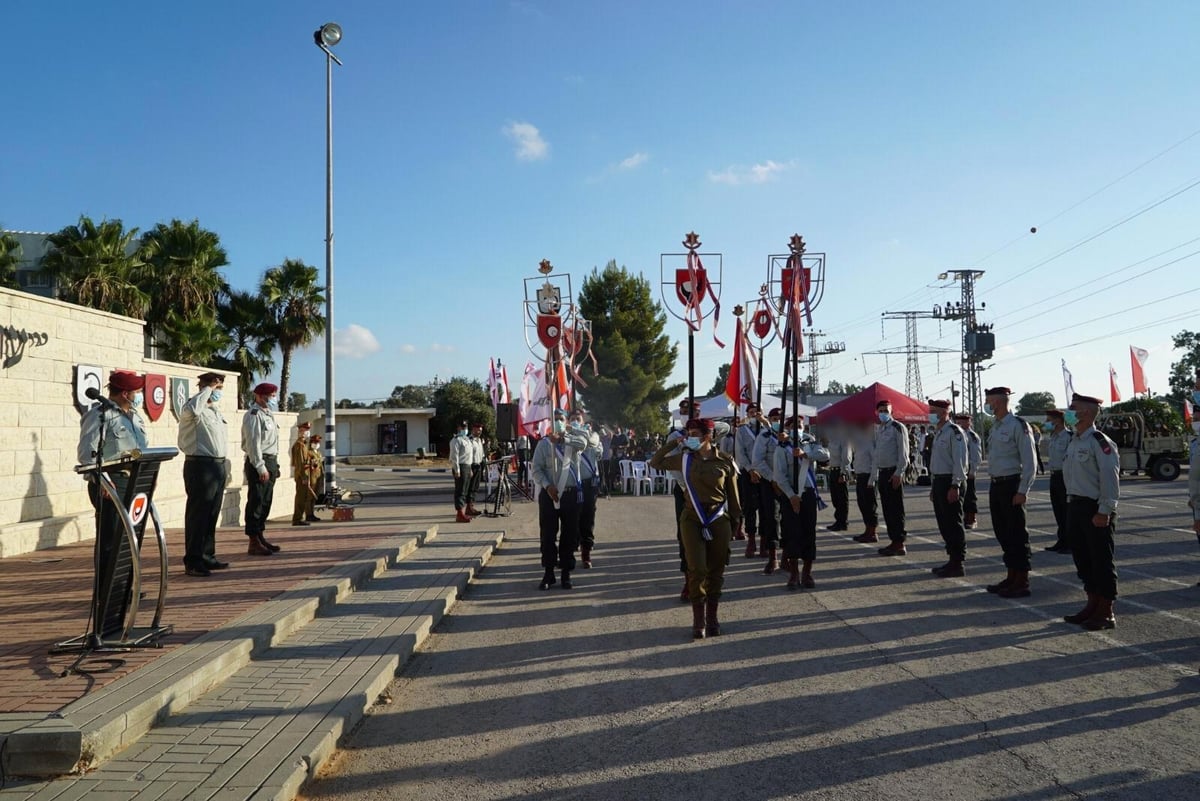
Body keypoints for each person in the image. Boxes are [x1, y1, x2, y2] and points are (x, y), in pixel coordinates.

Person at [650, 417, 741, 639]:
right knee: (697, 569)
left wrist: (737, 524)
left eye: (694, 434)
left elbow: (734, 496)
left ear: (708, 436)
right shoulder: (684, 459)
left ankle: (712, 618)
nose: (690, 437)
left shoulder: (726, 461)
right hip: (692, 518)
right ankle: (698, 620)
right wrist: (675, 443)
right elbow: (656, 462)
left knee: (716, 569)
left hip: (718, 518)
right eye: (688, 433)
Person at [1061, 393, 1121, 629]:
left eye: (1072, 408)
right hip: (1075, 505)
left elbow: (1109, 478)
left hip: (1095, 508)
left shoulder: (1099, 441)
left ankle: (1106, 611)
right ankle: (1092, 604)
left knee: (1101, 560)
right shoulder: (1075, 440)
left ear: (1085, 412)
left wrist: (1105, 510)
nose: (1068, 411)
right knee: (1083, 558)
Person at [983, 386, 1037, 597]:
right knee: (1002, 532)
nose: (987, 404)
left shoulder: (1019, 426)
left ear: (999, 401)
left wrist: (1023, 490)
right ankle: (1011, 575)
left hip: (1012, 485)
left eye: (989, 400)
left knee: (1016, 533)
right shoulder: (996, 426)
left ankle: (1022, 580)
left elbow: (1030, 462)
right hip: (996, 484)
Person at [178, 371, 229, 577]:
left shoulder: (214, 411)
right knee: (198, 516)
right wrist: (208, 388)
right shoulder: (192, 408)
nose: (218, 393)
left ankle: (208, 555)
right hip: (200, 466)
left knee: (211, 514)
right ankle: (193, 560)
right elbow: (192, 409)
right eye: (217, 388)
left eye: (219, 389)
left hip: (217, 466)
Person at [531, 409, 590, 590]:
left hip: (570, 494)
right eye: (555, 419)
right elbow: (536, 469)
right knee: (548, 535)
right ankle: (549, 573)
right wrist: (548, 486)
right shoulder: (543, 444)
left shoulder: (574, 441)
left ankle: (566, 573)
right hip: (550, 495)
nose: (558, 422)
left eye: (561, 419)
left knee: (569, 535)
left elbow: (584, 443)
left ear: (566, 422)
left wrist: (564, 438)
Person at [774, 417, 830, 589]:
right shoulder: (782, 447)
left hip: (808, 494)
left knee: (808, 533)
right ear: (787, 428)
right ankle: (793, 574)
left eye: (799, 425)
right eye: (793, 425)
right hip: (790, 494)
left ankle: (807, 573)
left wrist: (806, 454)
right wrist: (791, 496)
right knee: (792, 533)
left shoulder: (810, 442)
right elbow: (779, 475)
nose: (797, 428)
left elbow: (825, 455)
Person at [926, 400, 968, 577]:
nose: (931, 414)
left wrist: (955, 485)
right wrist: (933, 485)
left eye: (934, 411)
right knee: (944, 524)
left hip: (951, 482)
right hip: (940, 482)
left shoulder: (954, 432)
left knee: (953, 524)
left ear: (944, 412)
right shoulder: (939, 432)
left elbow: (960, 461)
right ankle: (951, 559)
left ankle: (958, 562)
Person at [242, 382, 282, 556]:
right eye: (270, 395)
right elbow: (253, 443)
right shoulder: (254, 414)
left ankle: (260, 536)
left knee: (266, 502)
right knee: (256, 502)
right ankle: (253, 541)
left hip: (270, 460)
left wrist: (275, 465)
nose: (273, 398)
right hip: (259, 461)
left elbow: (273, 443)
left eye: (274, 395)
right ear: (259, 396)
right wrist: (260, 467)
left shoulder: (268, 414)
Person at [666, 399, 699, 600]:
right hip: (685, 490)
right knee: (685, 535)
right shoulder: (675, 436)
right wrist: (686, 487)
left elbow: (724, 427)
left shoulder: (710, 433)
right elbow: (672, 463)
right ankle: (688, 579)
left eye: (693, 412)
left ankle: (705, 580)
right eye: (685, 411)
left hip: (707, 489)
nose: (689, 415)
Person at [873, 399, 909, 556]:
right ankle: (893, 541)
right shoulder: (880, 429)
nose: (883, 414)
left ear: (891, 412)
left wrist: (898, 473)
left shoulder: (897, 427)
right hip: (883, 472)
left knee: (896, 509)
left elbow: (904, 453)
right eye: (880, 411)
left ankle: (899, 542)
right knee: (887, 509)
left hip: (893, 472)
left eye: (886, 411)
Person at [751, 407, 785, 572]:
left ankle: (789, 555)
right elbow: (757, 461)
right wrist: (773, 479)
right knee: (772, 518)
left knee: (790, 519)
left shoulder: (792, 436)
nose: (778, 421)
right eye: (774, 418)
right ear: (770, 419)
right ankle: (773, 556)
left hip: (789, 484)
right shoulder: (764, 437)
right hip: (770, 483)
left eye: (780, 418)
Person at [569, 409, 603, 568]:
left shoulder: (592, 435)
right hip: (571, 484)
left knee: (587, 518)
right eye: (573, 419)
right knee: (570, 519)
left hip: (588, 484)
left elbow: (592, 443)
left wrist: (575, 430)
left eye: (578, 419)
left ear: (583, 422)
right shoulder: (566, 438)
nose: (575, 421)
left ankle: (586, 552)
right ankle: (568, 552)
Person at [1042, 409, 1073, 553]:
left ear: (1058, 420)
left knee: (1067, 512)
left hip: (1065, 477)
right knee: (1058, 511)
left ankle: (1070, 543)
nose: (1046, 423)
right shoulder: (1053, 437)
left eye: (1049, 420)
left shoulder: (1069, 437)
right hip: (1054, 476)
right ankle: (1062, 540)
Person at [735, 403, 762, 555]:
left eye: (756, 412)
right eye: (751, 412)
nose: (754, 415)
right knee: (750, 507)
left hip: (765, 473)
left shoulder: (766, 429)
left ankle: (766, 542)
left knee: (767, 509)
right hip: (748, 472)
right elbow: (740, 452)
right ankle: (751, 541)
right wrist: (750, 470)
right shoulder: (742, 430)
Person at [851, 420, 879, 542]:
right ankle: (867, 529)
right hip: (860, 476)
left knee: (870, 505)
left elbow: (875, 462)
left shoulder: (870, 443)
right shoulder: (859, 444)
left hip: (868, 477)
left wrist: (872, 479)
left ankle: (873, 532)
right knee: (862, 504)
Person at [954, 413, 982, 529]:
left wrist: (973, 470)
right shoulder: (955, 434)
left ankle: (971, 517)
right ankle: (961, 517)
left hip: (968, 468)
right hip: (957, 467)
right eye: (958, 421)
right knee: (958, 494)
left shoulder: (972, 436)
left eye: (962, 422)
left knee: (970, 495)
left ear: (968, 422)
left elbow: (976, 455)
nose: (959, 424)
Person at [825, 423, 853, 532]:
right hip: (832, 470)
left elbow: (846, 458)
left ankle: (843, 522)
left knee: (842, 498)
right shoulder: (832, 440)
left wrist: (843, 473)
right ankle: (838, 520)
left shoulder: (844, 439)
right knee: (835, 498)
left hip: (840, 471)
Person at [290, 421, 319, 526]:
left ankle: (299, 518)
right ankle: (297, 519)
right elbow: (300, 463)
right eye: (304, 430)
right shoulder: (300, 445)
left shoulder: (304, 445)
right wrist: (304, 476)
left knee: (303, 497)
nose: (306, 433)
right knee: (300, 498)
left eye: (307, 430)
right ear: (300, 431)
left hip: (305, 474)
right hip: (302, 475)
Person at [450, 421, 472, 523]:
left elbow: (469, 456)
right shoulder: (456, 440)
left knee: (465, 490)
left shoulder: (467, 440)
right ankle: (459, 513)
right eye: (462, 427)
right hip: (460, 467)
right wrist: (457, 470)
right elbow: (454, 457)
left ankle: (463, 512)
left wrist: (470, 468)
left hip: (467, 466)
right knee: (460, 491)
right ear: (458, 428)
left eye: (466, 427)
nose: (464, 429)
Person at [466, 422, 486, 517]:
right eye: (478, 430)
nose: (479, 432)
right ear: (473, 429)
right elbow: (468, 455)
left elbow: (481, 454)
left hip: (479, 465)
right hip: (472, 466)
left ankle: (471, 506)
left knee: (475, 487)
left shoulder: (479, 440)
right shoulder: (469, 440)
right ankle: (469, 507)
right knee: (471, 487)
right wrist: (469, 468)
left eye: (481, 430)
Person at [309, 433, 326, 510]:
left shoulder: (318, 453)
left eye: (318, 443)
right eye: (315, 443)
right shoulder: (309, 452)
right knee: (311, 496)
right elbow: (311, 463)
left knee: (317, 493)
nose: (316, 444)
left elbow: (320, 464)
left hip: (319, 475)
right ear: (311, 443)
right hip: (312, 475)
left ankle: (312, 511)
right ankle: (309, 512)